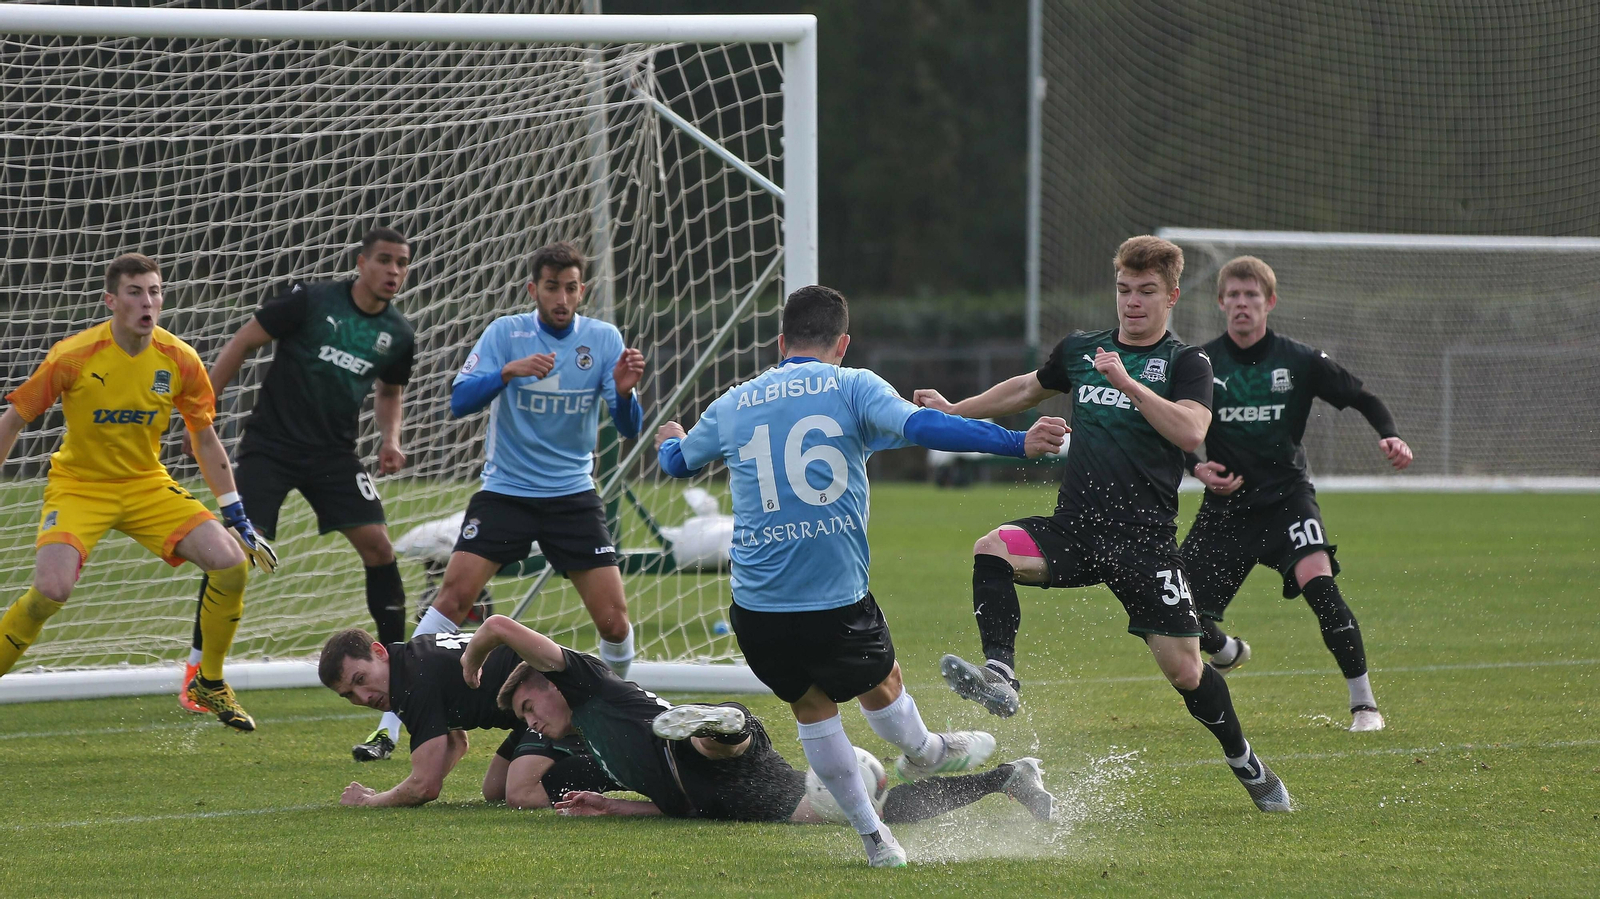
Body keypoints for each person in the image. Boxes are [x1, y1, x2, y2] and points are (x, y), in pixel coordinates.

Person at [654, 284, 1070, 866]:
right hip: (834, 602)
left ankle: (877, 839)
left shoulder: (734, 402)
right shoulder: (853, 385)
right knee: (884, 680)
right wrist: (1017, 442)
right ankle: (925, 751)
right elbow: (926, 428)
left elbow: (677, 463)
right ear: (843, 343)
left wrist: (669, 440)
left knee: (811, 708)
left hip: (757, 608)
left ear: (781, 343)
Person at [916, 236, 1293, 813]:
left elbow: (1191, 431)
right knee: (992, 548)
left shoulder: (1187, 363)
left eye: (1146, 292)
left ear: (1171, 296)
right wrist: (952, 411)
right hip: (1075, 529)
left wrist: (1128, 384)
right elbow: (1026, 388)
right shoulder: (1082, 349)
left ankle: (1247, 763)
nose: (1132, 302)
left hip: (1145, 544)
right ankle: (1000, 674)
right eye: (1123, 290)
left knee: (1186, 673)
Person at [0, 253, 276, 731]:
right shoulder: (73, 356)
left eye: (155, 291)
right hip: (80, 487)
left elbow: (204, 438)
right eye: (135, 292)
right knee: (51, 590)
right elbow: (13, 419)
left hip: (146, 484)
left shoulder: (180, 358)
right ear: (111, 300)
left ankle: (208, 682)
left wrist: (235, 513)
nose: (148, 302)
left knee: (231, 563)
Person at [180, 228, 418, 761]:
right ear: (361, 262)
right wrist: (203, 410)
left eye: (402, 263)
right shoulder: (310, 302)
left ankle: (398, 668)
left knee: (380, 547)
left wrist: (391, 440)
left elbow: (390, 391)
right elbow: (243, 342)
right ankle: (198, 670)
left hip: (334, 456)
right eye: (384, 260)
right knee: (234, 551)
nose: (393, 271)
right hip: (271, 447)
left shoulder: (398, 334)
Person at [463, 614, 1056, 827]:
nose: (532, 723)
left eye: (528, 708)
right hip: (721, 795)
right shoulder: (594, 743)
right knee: (868, 812)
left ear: (548, 684)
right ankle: (1008, 777)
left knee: (707, 744)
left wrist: (474, 655)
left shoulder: (588, 684)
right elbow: (680, 806)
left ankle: (723, 727)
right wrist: (615, 806)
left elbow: (502, 626)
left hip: (707, 757)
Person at [1178, 256, 1412, 733]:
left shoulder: (1299, 359)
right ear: (1221, 302)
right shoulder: (1202, 363)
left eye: (1252, 295)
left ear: (1270, 302)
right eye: (1234, 295)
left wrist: (1389, 434)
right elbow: (1168, 426)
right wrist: (1195, 466)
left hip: (1287, 500)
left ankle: (1365, 706)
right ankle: (1225, 650)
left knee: (1321, 587)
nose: (1242, 304)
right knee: (1176, 609)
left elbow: (1363, 397)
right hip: (1227, 508)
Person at [426, 241, 644, 691]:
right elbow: (459, 401)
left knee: (614, 623)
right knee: (453, 599)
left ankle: (612, 706)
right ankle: (399, 710)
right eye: (551, 287)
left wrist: (624, 394)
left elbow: (629, 427)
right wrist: (507, 372)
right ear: (533, 290)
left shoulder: (604, 339)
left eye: (570, 288)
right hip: (506, 491)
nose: (561, 298)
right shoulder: (506, 334)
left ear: (582, 291)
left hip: (571, 494)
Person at [319, 626, 617, 809]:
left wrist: (369, 801)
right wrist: (418, 785)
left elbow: (425, 787)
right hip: (530, 710)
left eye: (360, 679)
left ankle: (617, 769)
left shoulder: (412, 682)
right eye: (349, 694)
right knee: (495, 789)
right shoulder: (405, 669)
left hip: (557, 697)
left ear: (378, 652)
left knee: (521, 794)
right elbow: (456, 743)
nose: (363, 697)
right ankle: (598, 760)